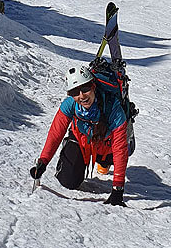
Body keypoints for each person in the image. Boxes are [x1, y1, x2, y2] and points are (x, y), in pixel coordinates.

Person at [30, 63, 128, 206]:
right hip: (82, 141)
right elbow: (56, 133)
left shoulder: (113, 108)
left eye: (85, 89)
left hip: (108, 145)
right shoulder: (70, 104)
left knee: (116, 156)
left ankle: (104, 161)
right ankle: (73, 149)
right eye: (75, 92)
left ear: (93, 86)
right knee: (69, 181)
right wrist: (43, 161)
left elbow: (120, 147)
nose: (81, 96)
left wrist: (117, 189)